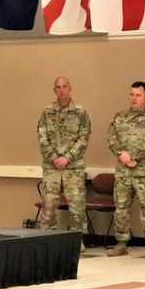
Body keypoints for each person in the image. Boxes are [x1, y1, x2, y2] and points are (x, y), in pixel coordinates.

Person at [106, 82, 145, 258]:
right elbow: (111, 139)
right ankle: (122, 242)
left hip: (144, 173)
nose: (134, 98)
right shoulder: (119, 117)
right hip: (123, 171)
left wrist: (131, 155)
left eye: (138, 95)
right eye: (131, 94)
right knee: (121, 208)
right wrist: (122, 155)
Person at [36, 76, 91, 244]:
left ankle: (77, 241)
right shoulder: (47, 112)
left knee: (76, 206)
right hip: (52, 167)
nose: (61, 90)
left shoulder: (80, 112)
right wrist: (54, 158)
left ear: (70, 88)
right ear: (54, 90)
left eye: (64, 87)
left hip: (73, 167)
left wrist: (67, 158)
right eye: (58, 87)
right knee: (49, 205)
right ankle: (48, 241)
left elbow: (84, 138)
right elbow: (42, 137)